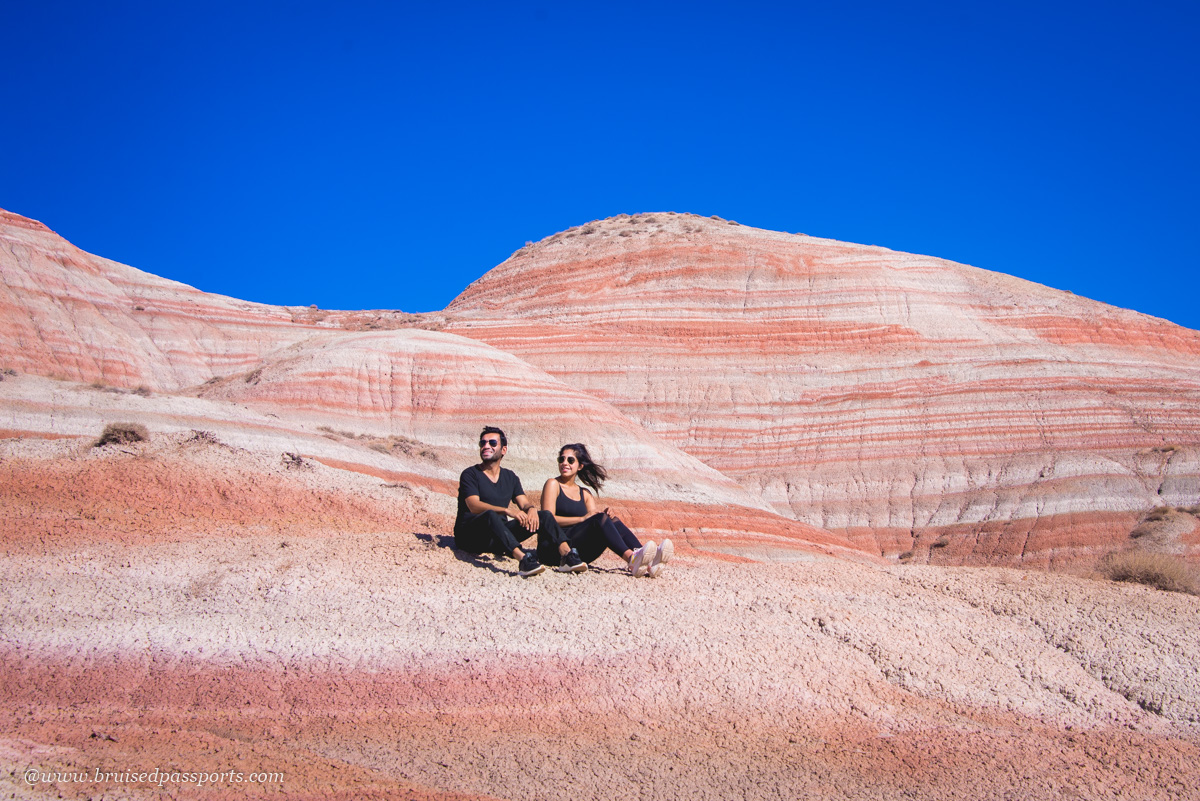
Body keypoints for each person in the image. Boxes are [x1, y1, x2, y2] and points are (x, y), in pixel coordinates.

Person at [454, 426, 578, 576]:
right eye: (483, 443)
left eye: (492, 443)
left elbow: (524, 503)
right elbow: (473, 505)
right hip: (471, 536)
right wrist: (507, 510)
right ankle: (523, 560)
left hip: (498, 536)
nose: (486, 446)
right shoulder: (470, 474)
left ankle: (567, 555)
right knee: (490, 514)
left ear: (503, 450)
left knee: (544, 515)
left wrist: (531, 509)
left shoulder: (510, 477)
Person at [539, 443, 673, 577]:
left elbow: (594, 521)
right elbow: (547, 519)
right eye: (561, 459)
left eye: (570, 460)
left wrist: (605, 517)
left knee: (611, 520)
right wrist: (582, 519)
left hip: (577, 552)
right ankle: (632, 559)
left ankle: (649, 564)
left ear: (580, 466)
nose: (564, 463)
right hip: (555, 549)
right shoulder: (553, 484)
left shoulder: (585, 494)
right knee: (599, 520)